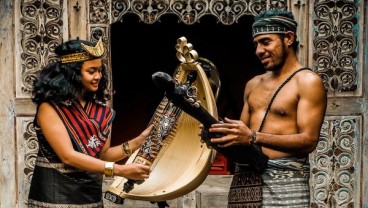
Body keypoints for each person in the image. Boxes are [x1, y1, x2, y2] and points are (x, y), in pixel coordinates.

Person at [206, 9, 327, 207]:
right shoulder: (252, 84)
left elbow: (309, 141)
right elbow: (240, 141)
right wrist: (217, 137)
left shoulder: (307, 82)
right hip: (246, 179)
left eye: (266, 42)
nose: (258, 51)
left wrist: (254, 137)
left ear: (288, 38)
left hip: (287, 181)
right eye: (256, 44)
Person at [28, 38, 154, 208]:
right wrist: (120, 170)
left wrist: (136, 142)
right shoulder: (50, 107)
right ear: (73, 73)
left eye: (100, 70)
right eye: (91, 71)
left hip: (90, 199)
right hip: (54, 197)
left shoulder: (102, 111)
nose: (98, 76)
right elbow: (68, 156)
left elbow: (103, 155)